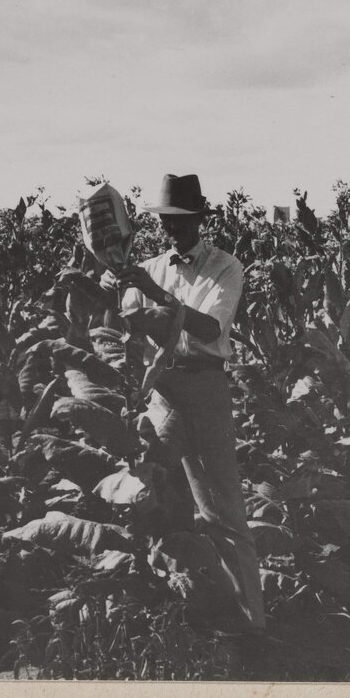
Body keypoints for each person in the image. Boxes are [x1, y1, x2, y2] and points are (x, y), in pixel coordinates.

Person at [101, 173, 265, 635]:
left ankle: (253, 627)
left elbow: (209, 330)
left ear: (199, 220)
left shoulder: (224, 266)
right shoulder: (149, 266)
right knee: (148, 494)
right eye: (166, 222)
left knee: (224, 514)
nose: (173, 229)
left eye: (181, 221)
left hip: (206, 390)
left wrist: (156, 297)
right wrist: (108, 283)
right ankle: (173, 614)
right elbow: (131, 325)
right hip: (162, 390)